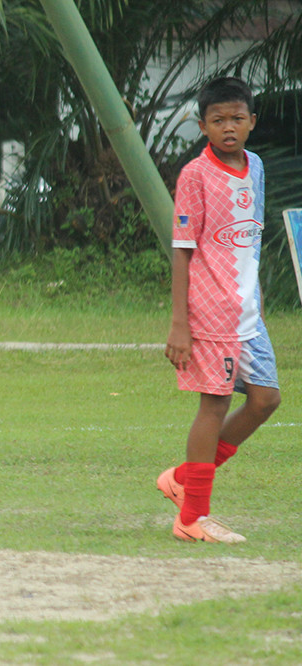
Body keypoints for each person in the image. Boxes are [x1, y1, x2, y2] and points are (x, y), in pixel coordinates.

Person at [158, 76, 280, 544]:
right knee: (216, 403)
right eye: (217, 120)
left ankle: (186, 477)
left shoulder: (257, 167)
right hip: (210, 313)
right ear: (202, 125)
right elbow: (183, 250)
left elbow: (250, 240)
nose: (228, 127)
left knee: (267, 399)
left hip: (248, 313)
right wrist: (179, 325)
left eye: (236, 118)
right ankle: (191, 517)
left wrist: (259, 298)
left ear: (252, 121)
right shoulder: (194, 175)